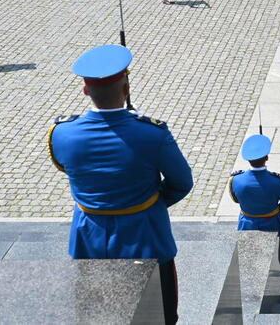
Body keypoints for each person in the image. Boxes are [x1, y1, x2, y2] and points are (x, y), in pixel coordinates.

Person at [49, 44, 193, 323]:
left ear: (85, 90)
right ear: (126, 90)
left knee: (99, 316)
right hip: (146, 237)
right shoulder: (153, 134)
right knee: (159, 316)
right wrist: (153, 200)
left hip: (89, 240)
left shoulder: (61, 133)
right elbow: (182, 182)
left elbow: (67, 168)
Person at [228, 133, 280, 271]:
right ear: (267, 157)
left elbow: (235, 199)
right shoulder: (278, 181)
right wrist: (274, 213)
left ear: (248, 159)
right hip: (272, 224)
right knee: (278, 262)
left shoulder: (236, 180)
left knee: (250, 264)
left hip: (247, 225)